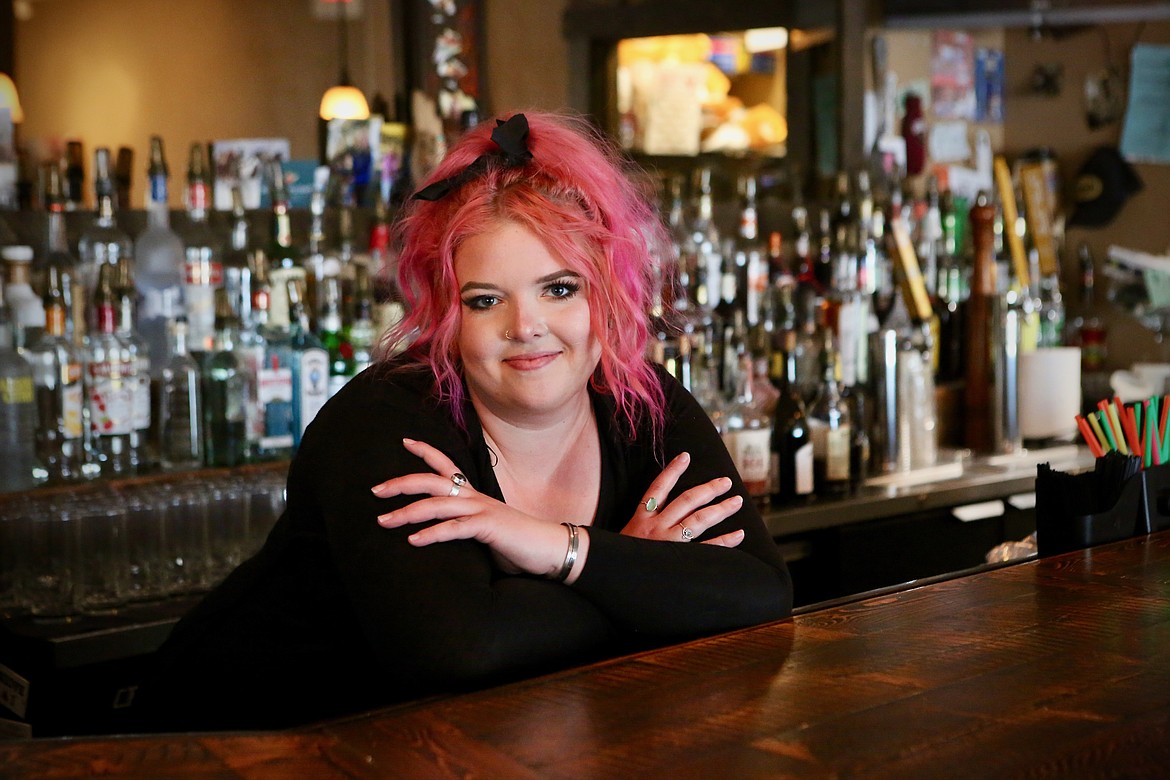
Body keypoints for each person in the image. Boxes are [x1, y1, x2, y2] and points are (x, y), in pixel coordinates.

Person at [133, 111, 793, 732]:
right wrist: (641, 573)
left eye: (559, 288)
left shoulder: (642, 403)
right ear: (447, 315)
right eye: (485, 301)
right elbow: (460, 648)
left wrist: (556, 546)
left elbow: (760, 591)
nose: (526, 327)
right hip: (232, 741)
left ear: (605, 293)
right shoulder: (386, 422)